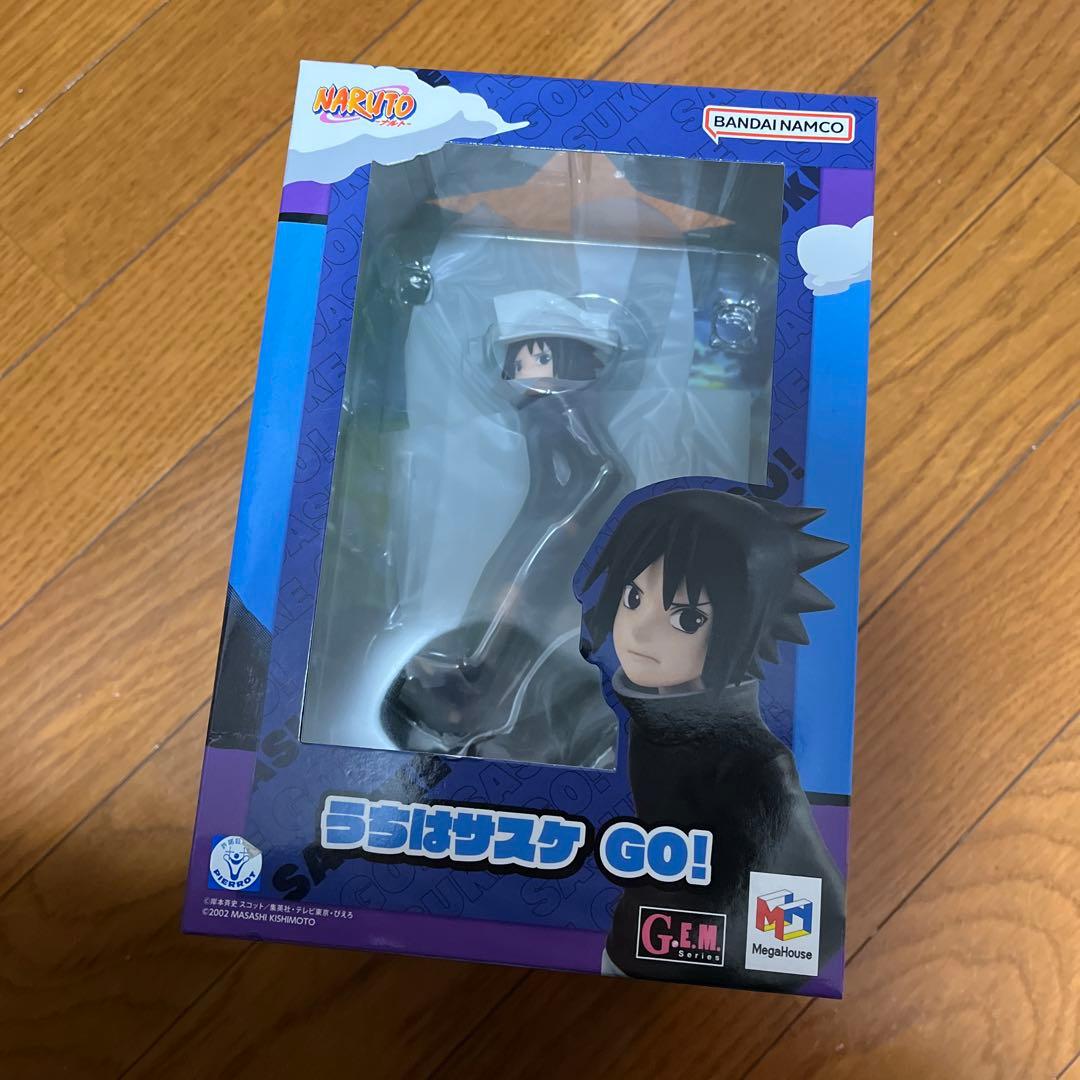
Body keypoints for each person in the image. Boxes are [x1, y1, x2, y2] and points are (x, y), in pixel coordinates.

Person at [578, 486, 847, 990]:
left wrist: (723, 963)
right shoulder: (652, 720)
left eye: (686, 618)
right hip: (629, 953)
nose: (638, 632)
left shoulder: (753, 765)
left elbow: (818, 922)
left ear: (740, 628)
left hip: (688, 974)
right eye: (633, 598)